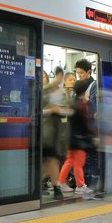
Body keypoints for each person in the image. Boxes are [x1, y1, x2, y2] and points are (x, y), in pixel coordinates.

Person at [57, 80, 97, 200]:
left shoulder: (73, 103)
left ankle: (61, 182)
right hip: (80, 139)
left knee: (69, 161)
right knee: (79, 163)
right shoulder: (82, 105)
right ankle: (80, 186)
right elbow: (87, 123)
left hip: (71, 138)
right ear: (85, 91)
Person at [42, 67, 71, 200]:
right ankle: (54, 186)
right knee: (50, 161)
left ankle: (50, 186)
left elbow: (69, 111)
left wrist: (59, 110)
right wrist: (51, 110)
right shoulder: (43, 91)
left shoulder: (62, 93)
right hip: (43, 131)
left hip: (56, 133)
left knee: (51, 161)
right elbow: (37, 111)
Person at [74, 59, 100, 194]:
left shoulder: (94, 85)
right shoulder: (78, 84)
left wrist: (86, 100)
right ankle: (81, 182)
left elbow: (95, 107)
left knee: (89, 157)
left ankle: (89, 182)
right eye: (77, 73)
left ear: (89, 72)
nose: (79, 76)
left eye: (82, 73)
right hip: (82, 127)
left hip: (91, 126)